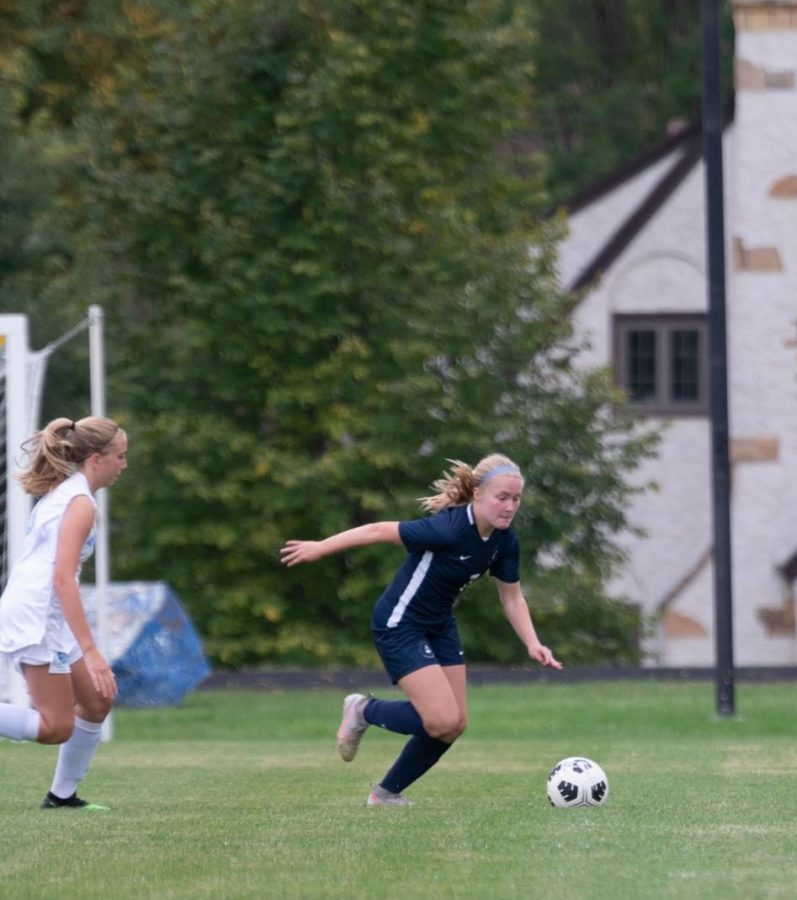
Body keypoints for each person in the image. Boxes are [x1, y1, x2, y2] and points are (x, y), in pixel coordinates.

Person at [280, 453, 562, 807]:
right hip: (400, 623)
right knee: (440, 718)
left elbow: (512, 597)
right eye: (501, 497)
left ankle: (385, 794)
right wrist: (320, 546)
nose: (509, 506)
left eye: (516, 499)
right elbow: (377, 530)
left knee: (454, 724)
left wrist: (533, 643)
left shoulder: (505, 542)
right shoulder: (448, 530)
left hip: (440, 625)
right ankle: (363, 710)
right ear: (477, 493)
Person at [0, 416, 128, 810]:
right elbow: (62, 580)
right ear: (95, 459)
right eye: (120, 456)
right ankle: (61, 795)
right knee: (56, 726)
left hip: (45, 612)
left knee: (97, 701)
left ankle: (62, 796)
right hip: (38, 617)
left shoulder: (67, 491)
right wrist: (90, 650)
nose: (124, 464)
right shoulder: (79, 503)